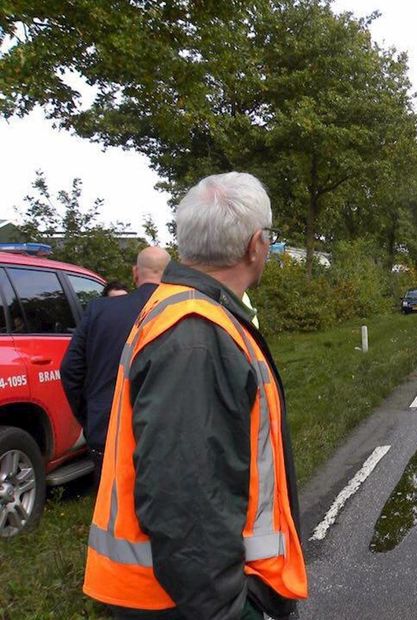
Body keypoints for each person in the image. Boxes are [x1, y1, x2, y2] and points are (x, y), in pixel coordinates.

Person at [83, 172, 308, 619]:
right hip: (184, 603)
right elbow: (183, 499)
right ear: (255, 245)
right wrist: (229, 608)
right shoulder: (196, 334)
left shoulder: (189, 310)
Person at [61, 247, 170, 485]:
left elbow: (71, 369)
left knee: (112, 512)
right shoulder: (180, 311)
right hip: (166, 436)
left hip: (107, 429)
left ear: (135, 273)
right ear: (170, 273)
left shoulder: (100, 310)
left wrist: (91, 414)